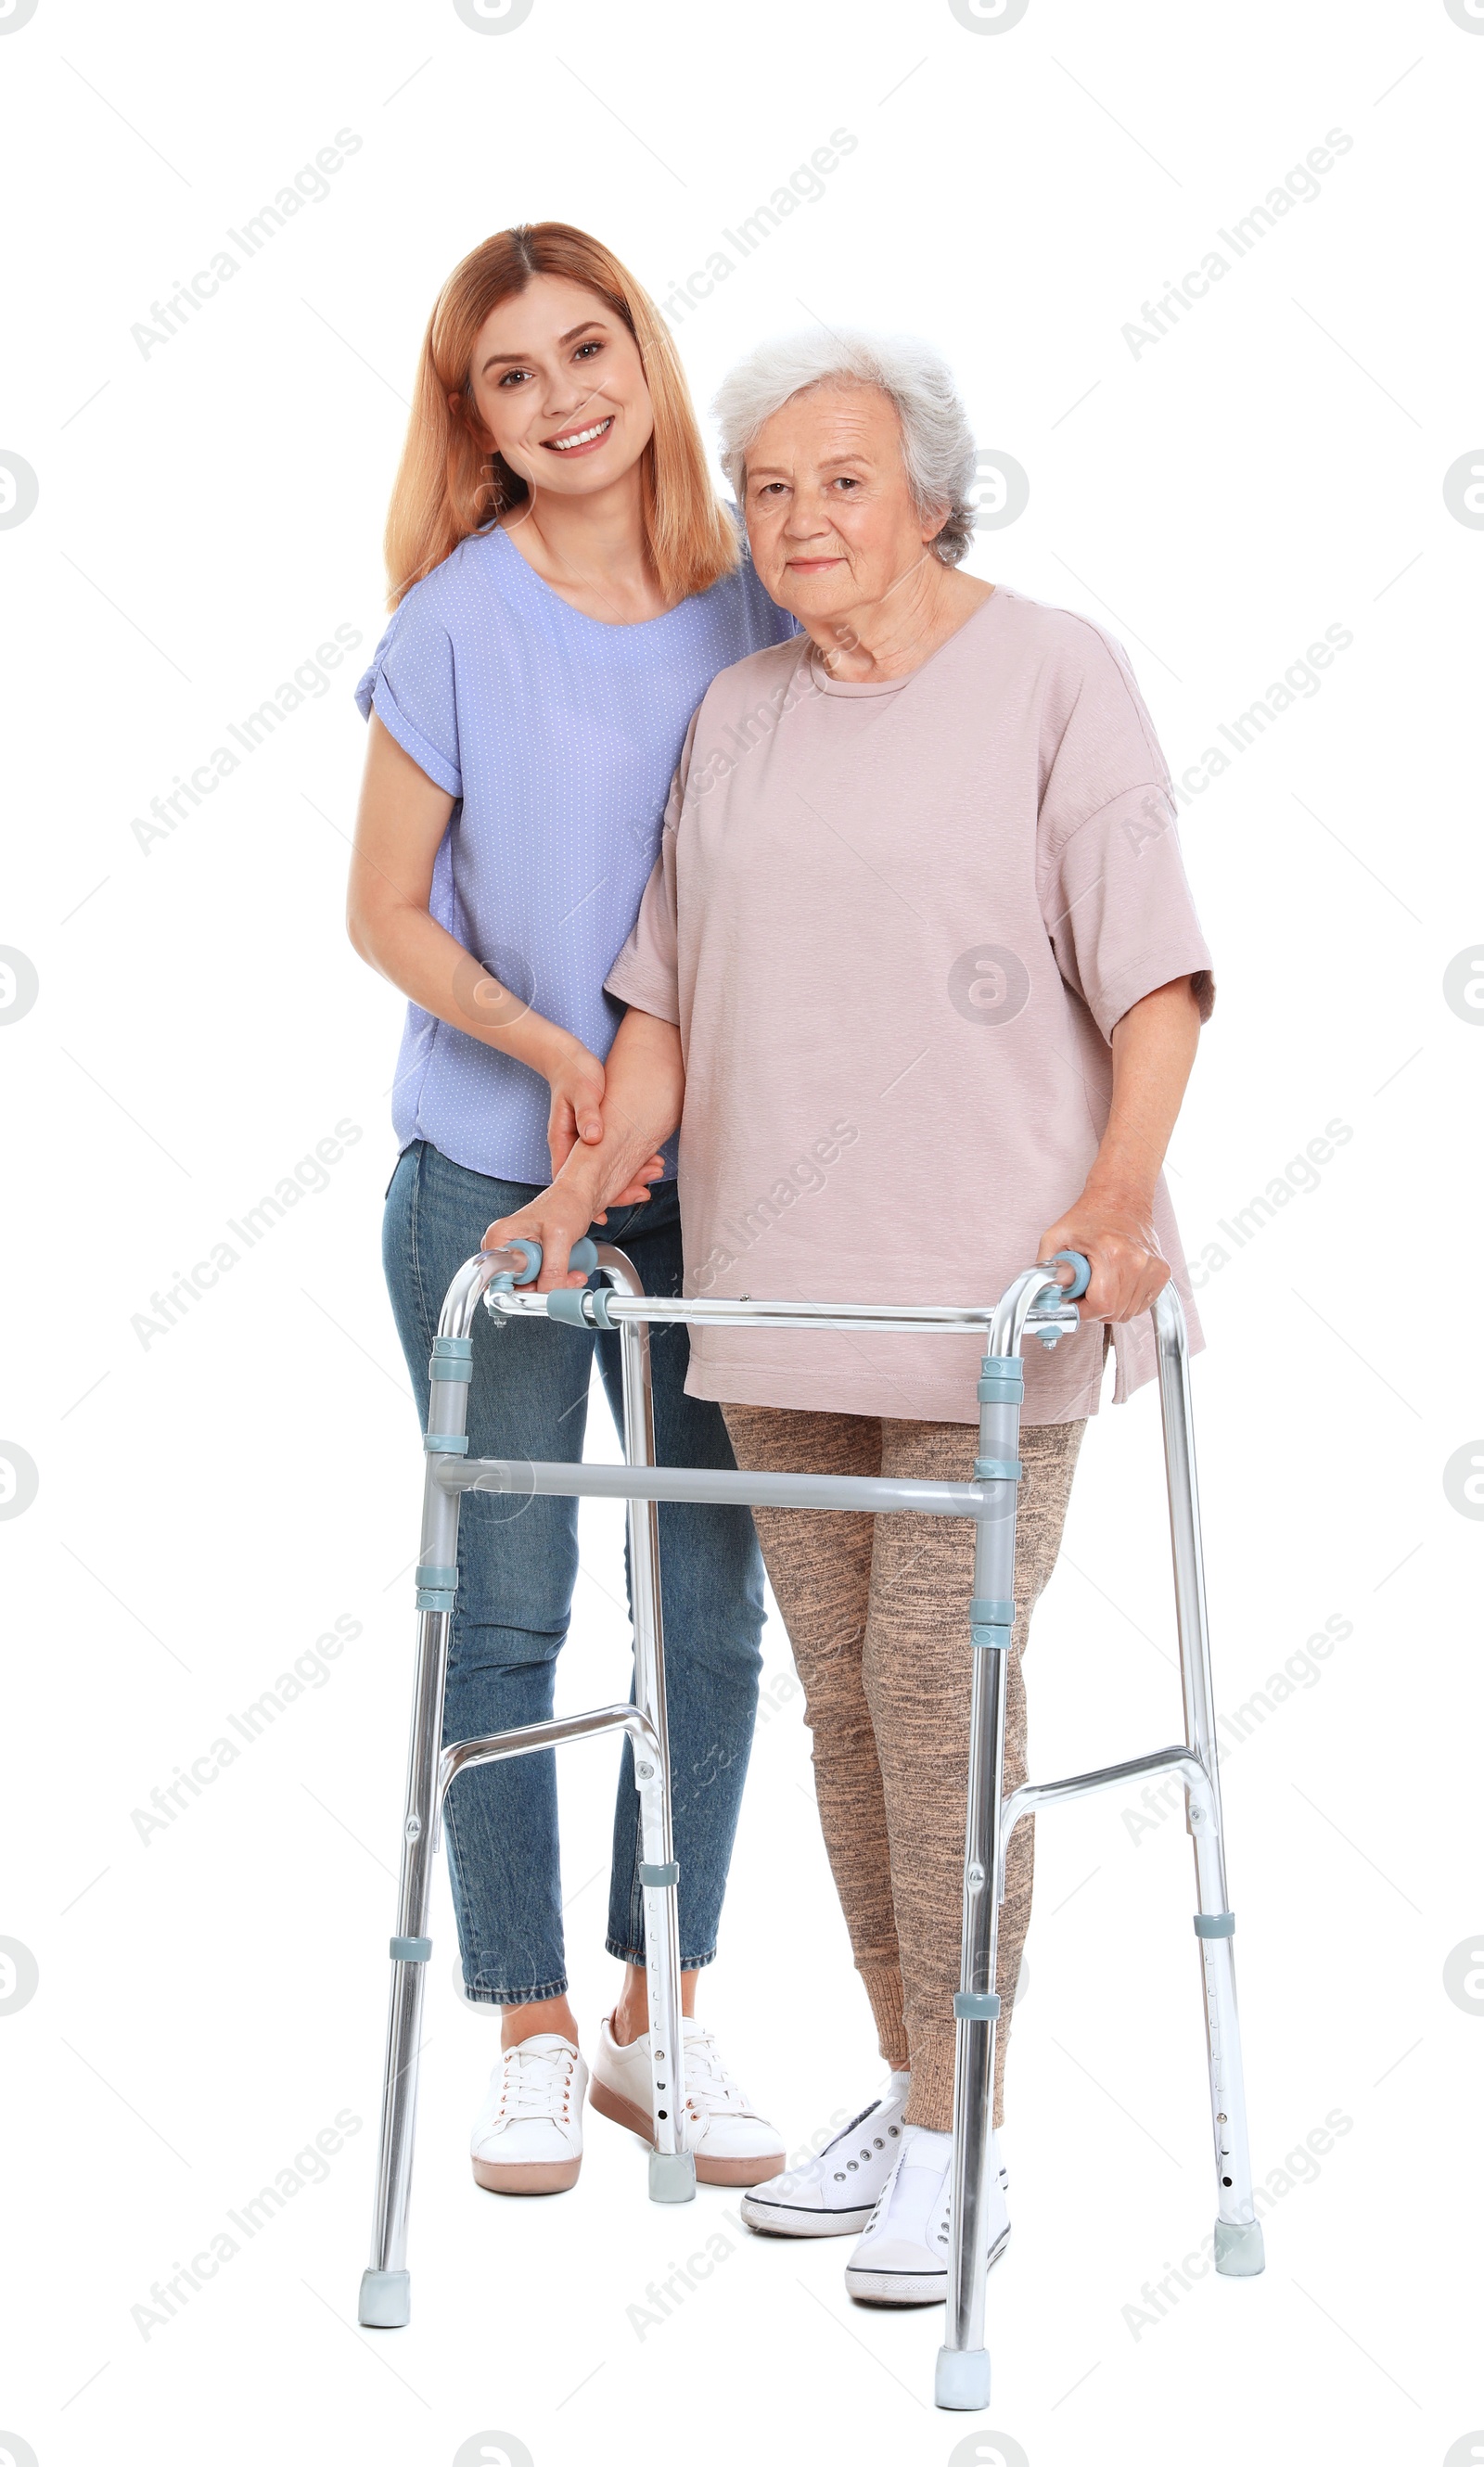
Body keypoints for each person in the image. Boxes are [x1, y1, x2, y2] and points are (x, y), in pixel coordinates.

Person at [483, 326, 1214, 2302]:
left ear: (932, 496)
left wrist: (1115, 1194)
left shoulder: (1053, 672)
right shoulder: (736, 714)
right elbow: (664, 1006)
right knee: (839, 1704)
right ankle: (909, 2088)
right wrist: (571, 1191)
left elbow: (1151, 975)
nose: (799, 520)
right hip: (771, 1299)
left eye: (842, 481)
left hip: (999, 1294)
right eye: (770, 488)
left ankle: (961, 2126)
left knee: (931, 1688)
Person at [347, 224, 794, 2198]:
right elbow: (378, 911)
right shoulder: (452, 617)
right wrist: (545, 1048)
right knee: (512, 1611)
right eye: (509, 377)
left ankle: (654, 2018)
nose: (560, 398)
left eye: (585, 347)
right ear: (477, 420)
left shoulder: (748, 606)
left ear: (645, 354)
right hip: (489, 1184)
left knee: (711, 1615)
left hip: (716, 1198)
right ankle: (528, 2025)